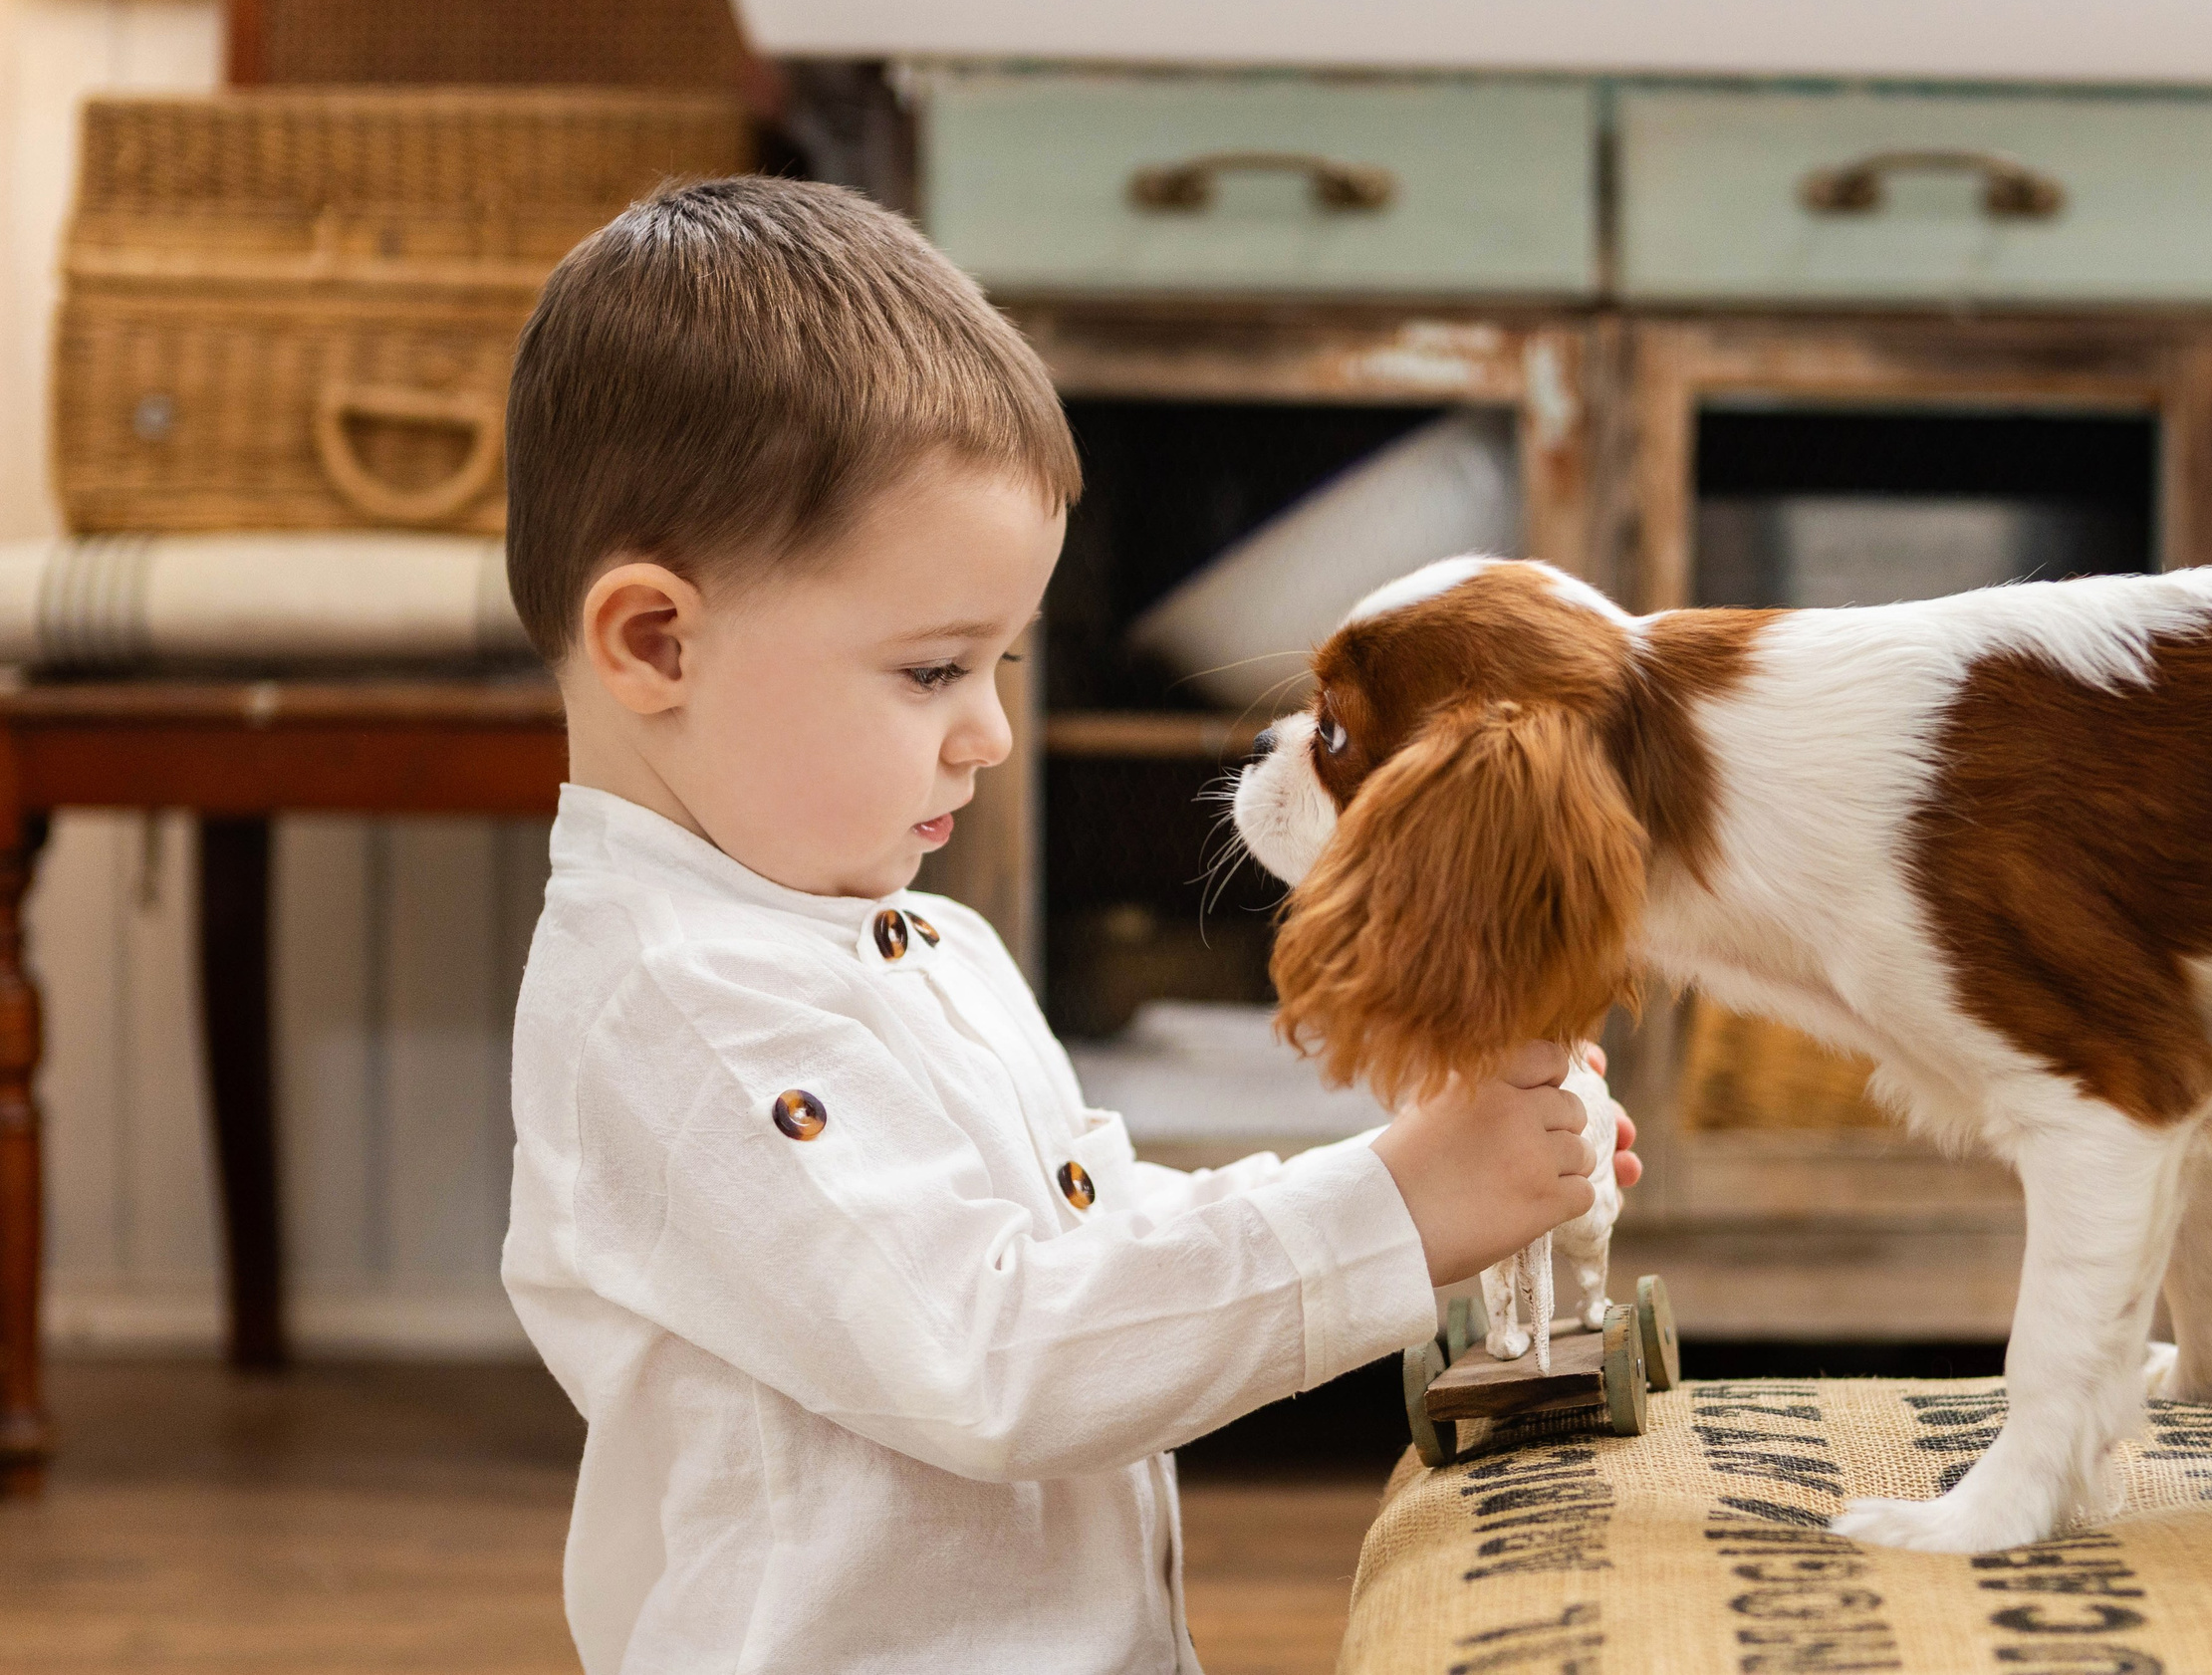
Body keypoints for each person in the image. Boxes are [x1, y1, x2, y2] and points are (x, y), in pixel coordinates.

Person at [498, 174, 1640, 1674]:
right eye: (930, 672)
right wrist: (1395, 1210)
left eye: (1004, 666)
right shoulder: (681, 1008)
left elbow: (1086, 1244)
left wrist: (1404, 1178)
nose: (989, 735)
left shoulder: (913, 946)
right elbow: (997, 1353)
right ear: (657, 642)